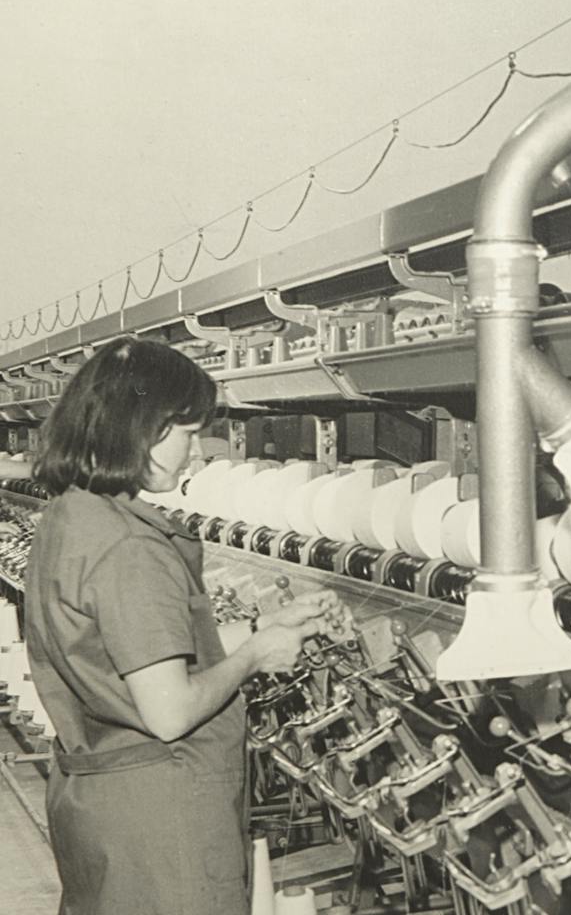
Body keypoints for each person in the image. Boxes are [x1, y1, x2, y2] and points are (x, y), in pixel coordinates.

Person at [23, 336, 348, 915]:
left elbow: (140, 658)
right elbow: (169, 711)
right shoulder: (129, 547)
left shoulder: (71, 518)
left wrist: (264, 625)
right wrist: (256, 657)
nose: (196, 453)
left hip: (103, 807)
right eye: (189, 433)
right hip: (162, 823)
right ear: (141, 427)